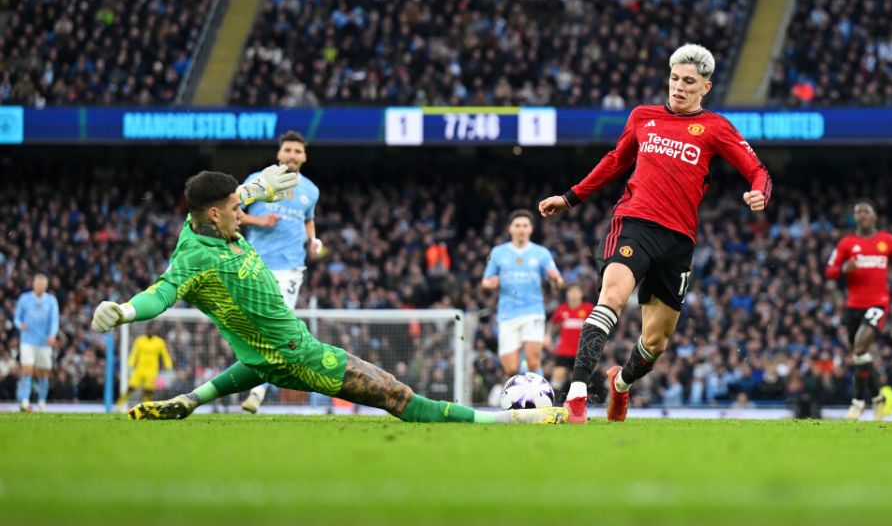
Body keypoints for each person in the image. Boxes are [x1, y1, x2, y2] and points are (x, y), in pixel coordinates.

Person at [90, 167, 567, 425]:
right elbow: (162, 293)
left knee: (256, 361)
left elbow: (242, 197)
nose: (245, 213)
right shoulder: (194, 258)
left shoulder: (208, 222)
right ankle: (508, 423)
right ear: (214, 215)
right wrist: (127, 310)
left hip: (266, 352)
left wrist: (256, 187)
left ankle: (191, 400)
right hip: (297, 354)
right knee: (397, 396)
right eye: (238, 209)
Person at [538, 43, 771, 423]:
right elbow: (615, 161)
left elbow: (758, 170)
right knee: (611, 296)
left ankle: (621, 385)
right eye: (674, 78)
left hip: (678, 241)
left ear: (705, 88)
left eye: (689, 82)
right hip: (633, 224)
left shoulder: (715, 128)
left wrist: (759, 192)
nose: (678, 87)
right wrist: (571, 197)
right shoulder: (643, 117)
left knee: (655, 342)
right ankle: (577, 395)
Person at [239, 131, 323, 413]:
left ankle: (257, 391)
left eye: (297, 151)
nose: (292, 155)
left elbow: (308, 220)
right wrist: (259, 221)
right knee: (254, 328)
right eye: (288, 150)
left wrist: (313, 240)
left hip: (290, 268)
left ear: (305, 157)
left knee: (276, 325)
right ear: (279, 153)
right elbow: (233, 212)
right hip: (255, 264)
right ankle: (254, 380)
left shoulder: (310, 190)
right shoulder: (259, 180)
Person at [825, 200, 892, 420]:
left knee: (861, 346)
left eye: (866, 212)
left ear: (874, 216)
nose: (862, 216)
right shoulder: (847, 244)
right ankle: (877, 397)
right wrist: (843, 268)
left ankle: (857, 402)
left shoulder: (887, 241)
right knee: (859, 355)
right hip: (853, 305)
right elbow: (830, 270)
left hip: (878, 302)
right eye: (858, 213)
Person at [482, 210, 563, 379]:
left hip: (533, 311)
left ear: (531, 229)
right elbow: (486, 281)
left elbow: (558, 282)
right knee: (511, 368)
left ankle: (537, 397)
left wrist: (555, 280)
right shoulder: (497, 252)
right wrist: (491, 283)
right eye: (517, 225)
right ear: (510, 229)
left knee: (533, 361)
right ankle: (521, 385)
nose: (521, 229)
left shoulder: (541, 253)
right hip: (507, 313)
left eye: (525, 225)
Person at [14, 274, 60, 412]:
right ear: (33, 285)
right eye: (37, 284)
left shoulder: (51, 301)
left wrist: (52, 335)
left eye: (42, 285)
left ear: (45, 286)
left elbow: (54, 320)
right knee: (27, 369)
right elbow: (17, 317)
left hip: (44, 342)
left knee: (43, 373)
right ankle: (24, 401)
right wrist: (19, 325)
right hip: (27, 340)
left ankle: (41, 402)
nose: (39, 287)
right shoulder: (24, 299)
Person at [547, 284, 592, 395]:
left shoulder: (588, 308)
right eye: (571, 291)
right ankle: (553, 400)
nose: (574, 294)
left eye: (576, 291)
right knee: (558, 374)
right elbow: (552, 324)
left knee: (580, 380)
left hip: (582, 352)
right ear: (567, 294)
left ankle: (580, 403)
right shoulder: (562, 309)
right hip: (564, 351)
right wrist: (547, 336)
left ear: (581, 294)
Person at [116, 325, 173, 408]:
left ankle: (146, 408)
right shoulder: (140, 340)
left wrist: (168, 365)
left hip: (152, 370)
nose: (150, 332)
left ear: (154, 331)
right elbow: (134, 354)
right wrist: (130, 365)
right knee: (131, 388)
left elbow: (165, 354)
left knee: (148, 391)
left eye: (152, 330)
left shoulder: (159, 342)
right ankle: (119, 405)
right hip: (140, 369)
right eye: (149, 330)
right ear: (146, 331)